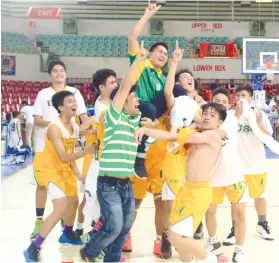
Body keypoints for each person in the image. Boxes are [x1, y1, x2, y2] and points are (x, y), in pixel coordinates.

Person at [134, 102, 227, 263]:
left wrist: (146, 130)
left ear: (219, 122)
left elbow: (173, 136)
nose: (207, 117)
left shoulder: (212, 135)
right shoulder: (197, 132)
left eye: (212, 116)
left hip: (198, 193)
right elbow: (172, 137)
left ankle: (212, 259)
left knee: (174, 236)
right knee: (183, 238)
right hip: (187, 189)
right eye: (205, 113)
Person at [80, 41, 147, 262]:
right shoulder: (113, 117)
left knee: (124, 228)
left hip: (125, 183)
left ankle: (112, 258)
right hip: (108, 182)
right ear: (120, 102)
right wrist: (137, 62)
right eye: (132, 98)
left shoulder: (134, 118)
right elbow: (126, 87)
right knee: (114, 226)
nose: (136, 100)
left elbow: (143, 111)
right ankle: (88, 253)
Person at [23, 91, 96, 262]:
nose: (74, 104)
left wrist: (77, 173)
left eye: (75, 101)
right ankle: (33, 247)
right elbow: (64, 156)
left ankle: (67, 234)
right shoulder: (55, 128)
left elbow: (73, 144)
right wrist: (87, 151)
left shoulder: (74, 125)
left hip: (64, 168)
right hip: (48, 168)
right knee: (61, 206)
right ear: (61, 107)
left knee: (74, 201)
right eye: (69, 101)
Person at [30, 60, 89, 242]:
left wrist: (79, 131)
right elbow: (37, 120)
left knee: (68, 189)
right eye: (55, 71)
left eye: (62, 70)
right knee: (41, 185)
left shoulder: (75, 93)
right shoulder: (43, 94)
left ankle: (66, 222)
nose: (59, 73)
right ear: (50, 75)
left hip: (67, 144)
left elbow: (84, 118)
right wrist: (59, 127)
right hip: (44, 146)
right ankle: (39, 221)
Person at [223, 85, 274, 245]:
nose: (240, 98)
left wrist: (259, 125)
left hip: (256, 164)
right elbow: (225, 134)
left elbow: (269, 136)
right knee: (236, 201)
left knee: (259, 196)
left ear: (251, 98)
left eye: (243, 95)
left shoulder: (259, 114)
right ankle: (235, 229)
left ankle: (262, 224)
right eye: (237, 95)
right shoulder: (230, 114)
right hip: (236, 166)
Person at [205, 88, 248, 263]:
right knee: (209, 212)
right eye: (216, 100)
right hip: (212, 176)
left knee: (239, 213)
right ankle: (213, 240)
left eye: (223, 101)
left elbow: (218, 134)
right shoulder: (206, 118)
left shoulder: (230, 119)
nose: (220, 103)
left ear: (229, 105)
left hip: (233, 175)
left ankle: (240, 250)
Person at [75, 69, 118, 238]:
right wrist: (89, 133)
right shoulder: (103, 108)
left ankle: (87, 228)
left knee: (95, 198)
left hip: (102, 158)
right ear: (102, 87)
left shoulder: (105, 104)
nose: (116, 85)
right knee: (91, 196)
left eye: (116, 82)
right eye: (112, 83)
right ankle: (82, 228)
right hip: (98, 159)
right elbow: (80, 130)